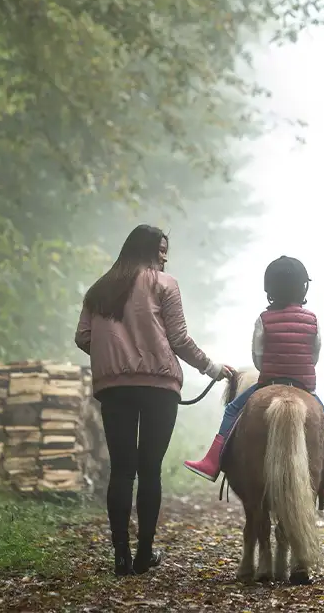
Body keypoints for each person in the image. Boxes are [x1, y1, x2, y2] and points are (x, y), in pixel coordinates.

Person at [75, 224, 236, 578]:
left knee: (121, 469)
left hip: (113, 388)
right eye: (161, 249)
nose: (165, 256)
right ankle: (145, 552)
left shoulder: (99, 289)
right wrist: (210, 367)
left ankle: (120, 556)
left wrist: (113, 355)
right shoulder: (165, 284)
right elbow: (178, 338)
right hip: (158, 387)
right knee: (149, 469)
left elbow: (83, 337)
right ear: (147, 250)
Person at [183, 255, 324, 503]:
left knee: (232, 411)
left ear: (269, 288)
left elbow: (257, 356)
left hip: (269, 381)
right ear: (303, 287)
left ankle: (211, 462)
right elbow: (314, 354)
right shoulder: (312, 319)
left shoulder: (264, 319)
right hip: (304, 385)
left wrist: (270, 370)